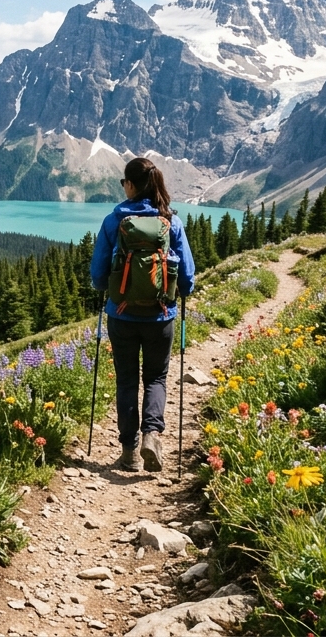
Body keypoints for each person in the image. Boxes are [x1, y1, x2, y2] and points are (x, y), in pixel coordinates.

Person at [90, 157, 196, 472]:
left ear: (131, 185)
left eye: (124, 182)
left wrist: (110, 287)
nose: (123, 186)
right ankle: (151, 434)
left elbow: (98, 276)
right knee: (156, 377)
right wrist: (180, 294)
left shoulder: (113, 221)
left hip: (121, 316)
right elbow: (187, 276)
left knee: (126, 381)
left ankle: (128, 453)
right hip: (161, 317)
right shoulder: (171, 222)